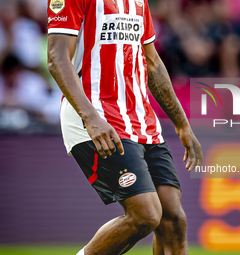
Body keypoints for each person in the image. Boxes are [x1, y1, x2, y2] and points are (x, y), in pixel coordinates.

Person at [47, 0, 203, 254]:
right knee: (146, 215)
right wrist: (92, 118)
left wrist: (181, 123)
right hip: (96, 116)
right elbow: (56, 57)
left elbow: (151, 62)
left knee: (173, 219)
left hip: (141, 121)